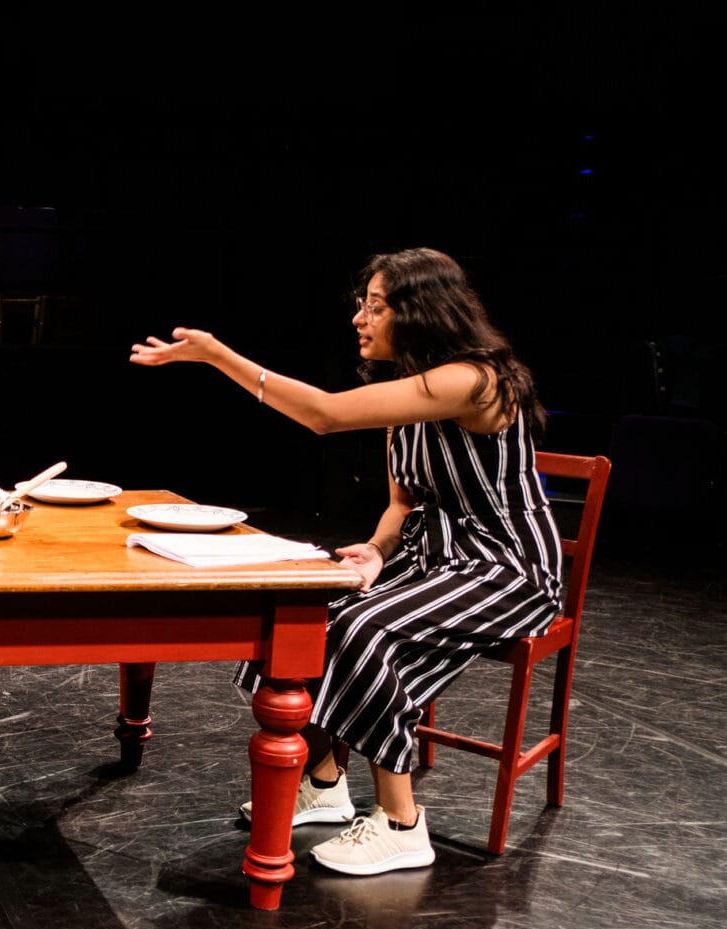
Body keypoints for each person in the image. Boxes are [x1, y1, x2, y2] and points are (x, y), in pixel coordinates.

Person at [129, 247, 562, 875]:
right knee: (311, 610)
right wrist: (377, 550)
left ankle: (402, 822)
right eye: (362, 304)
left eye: (377, 306)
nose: (360, 318)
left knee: (365, 628)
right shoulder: (406, 396)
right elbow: (401, 502)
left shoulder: (475, 379)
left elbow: (324, 416)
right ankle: (326, 780)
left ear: (422, 312)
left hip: (507, 568)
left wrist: (219, 356)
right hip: (433, 559)